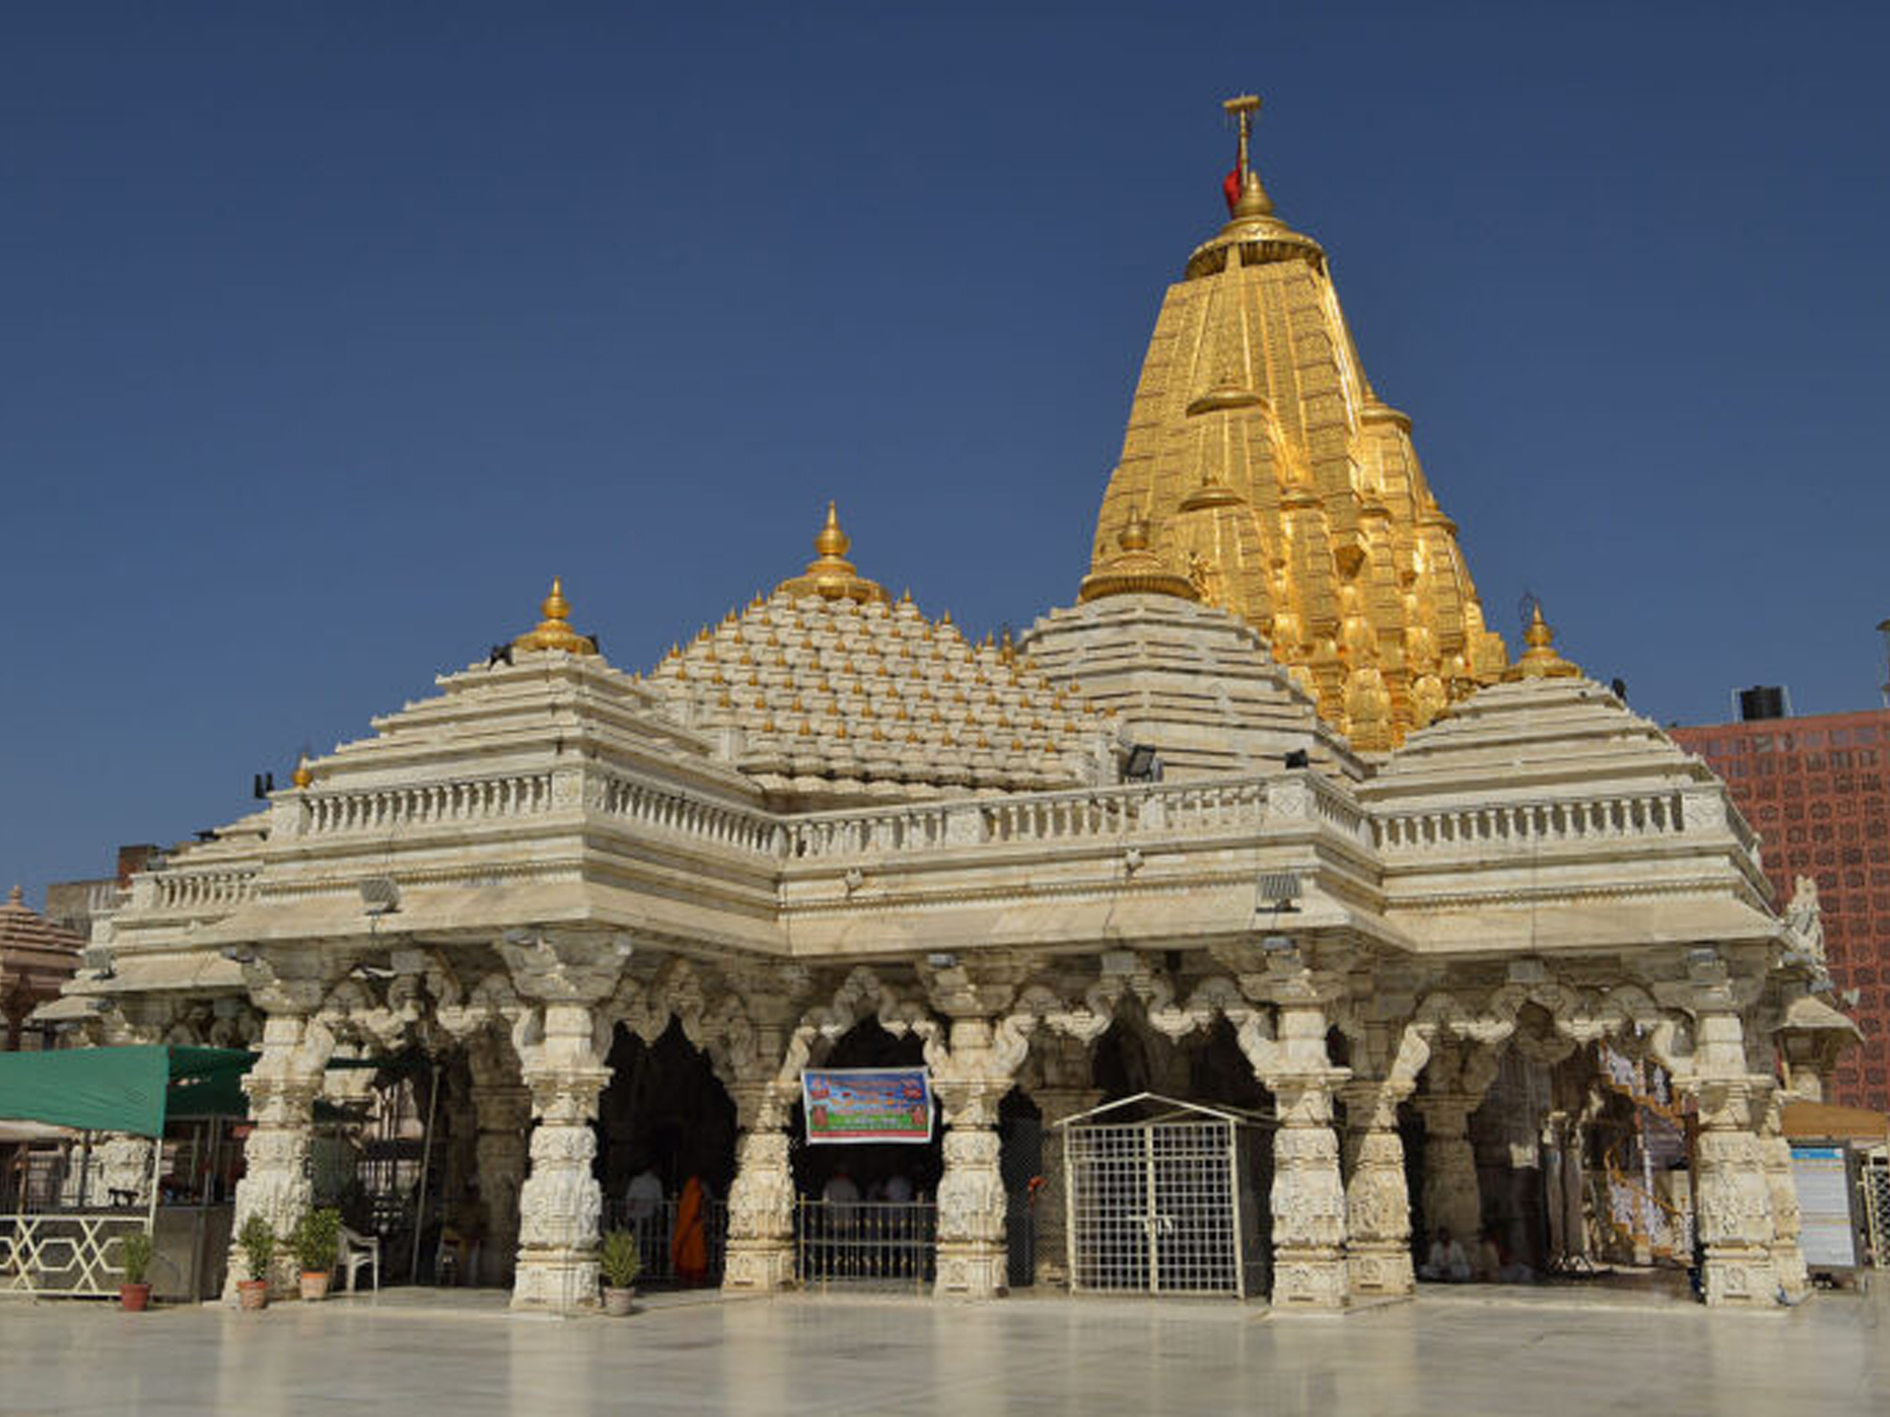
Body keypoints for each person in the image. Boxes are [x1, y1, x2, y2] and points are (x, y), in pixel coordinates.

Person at [671, 1174, 709, 1285]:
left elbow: (690, 1211)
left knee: (690, 1253)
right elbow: (694, 1211)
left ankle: (689, 1276)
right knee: (694, 1253)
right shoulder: (695, 1193)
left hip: (690, 1226)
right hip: (694, 1226)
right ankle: (693, 1276)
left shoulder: (691, 1194)